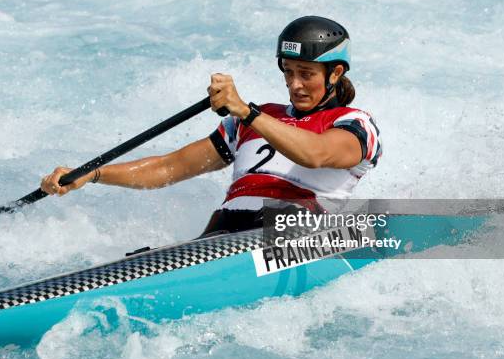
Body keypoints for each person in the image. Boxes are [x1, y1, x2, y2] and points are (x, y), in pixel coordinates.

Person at [41, 16, 382, 237]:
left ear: (335, 73)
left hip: (294, 235)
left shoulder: (355, 124)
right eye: (288, 72)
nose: (294, 84)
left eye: (306, 74)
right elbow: (167, 167)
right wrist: (94, 174)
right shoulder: (252, 120)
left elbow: (316, 154)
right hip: (221, 236)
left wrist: (247, 112)